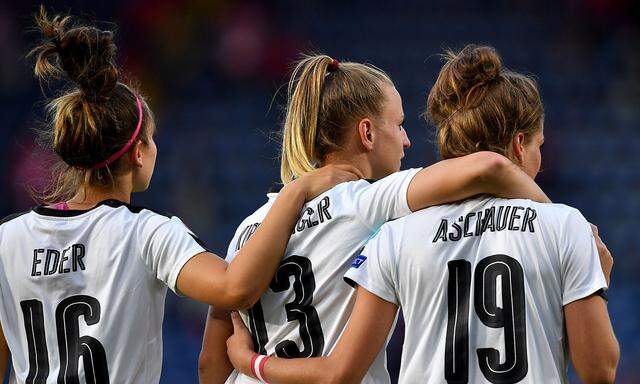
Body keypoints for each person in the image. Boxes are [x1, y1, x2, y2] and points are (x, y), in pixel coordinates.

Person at [0, 8, 360, 383]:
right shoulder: (147, 233)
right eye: (151, 139)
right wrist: (297, 190)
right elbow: (235, 288)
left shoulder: (7, 239)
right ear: (138, 152)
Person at [225, 45, 620, 384]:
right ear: (520, 145)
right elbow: (599, 371)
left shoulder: (392, 236)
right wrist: (577, 245)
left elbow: (333, 369)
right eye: (398, 125)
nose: (407, 139)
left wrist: (251, 363)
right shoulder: (563, 226)